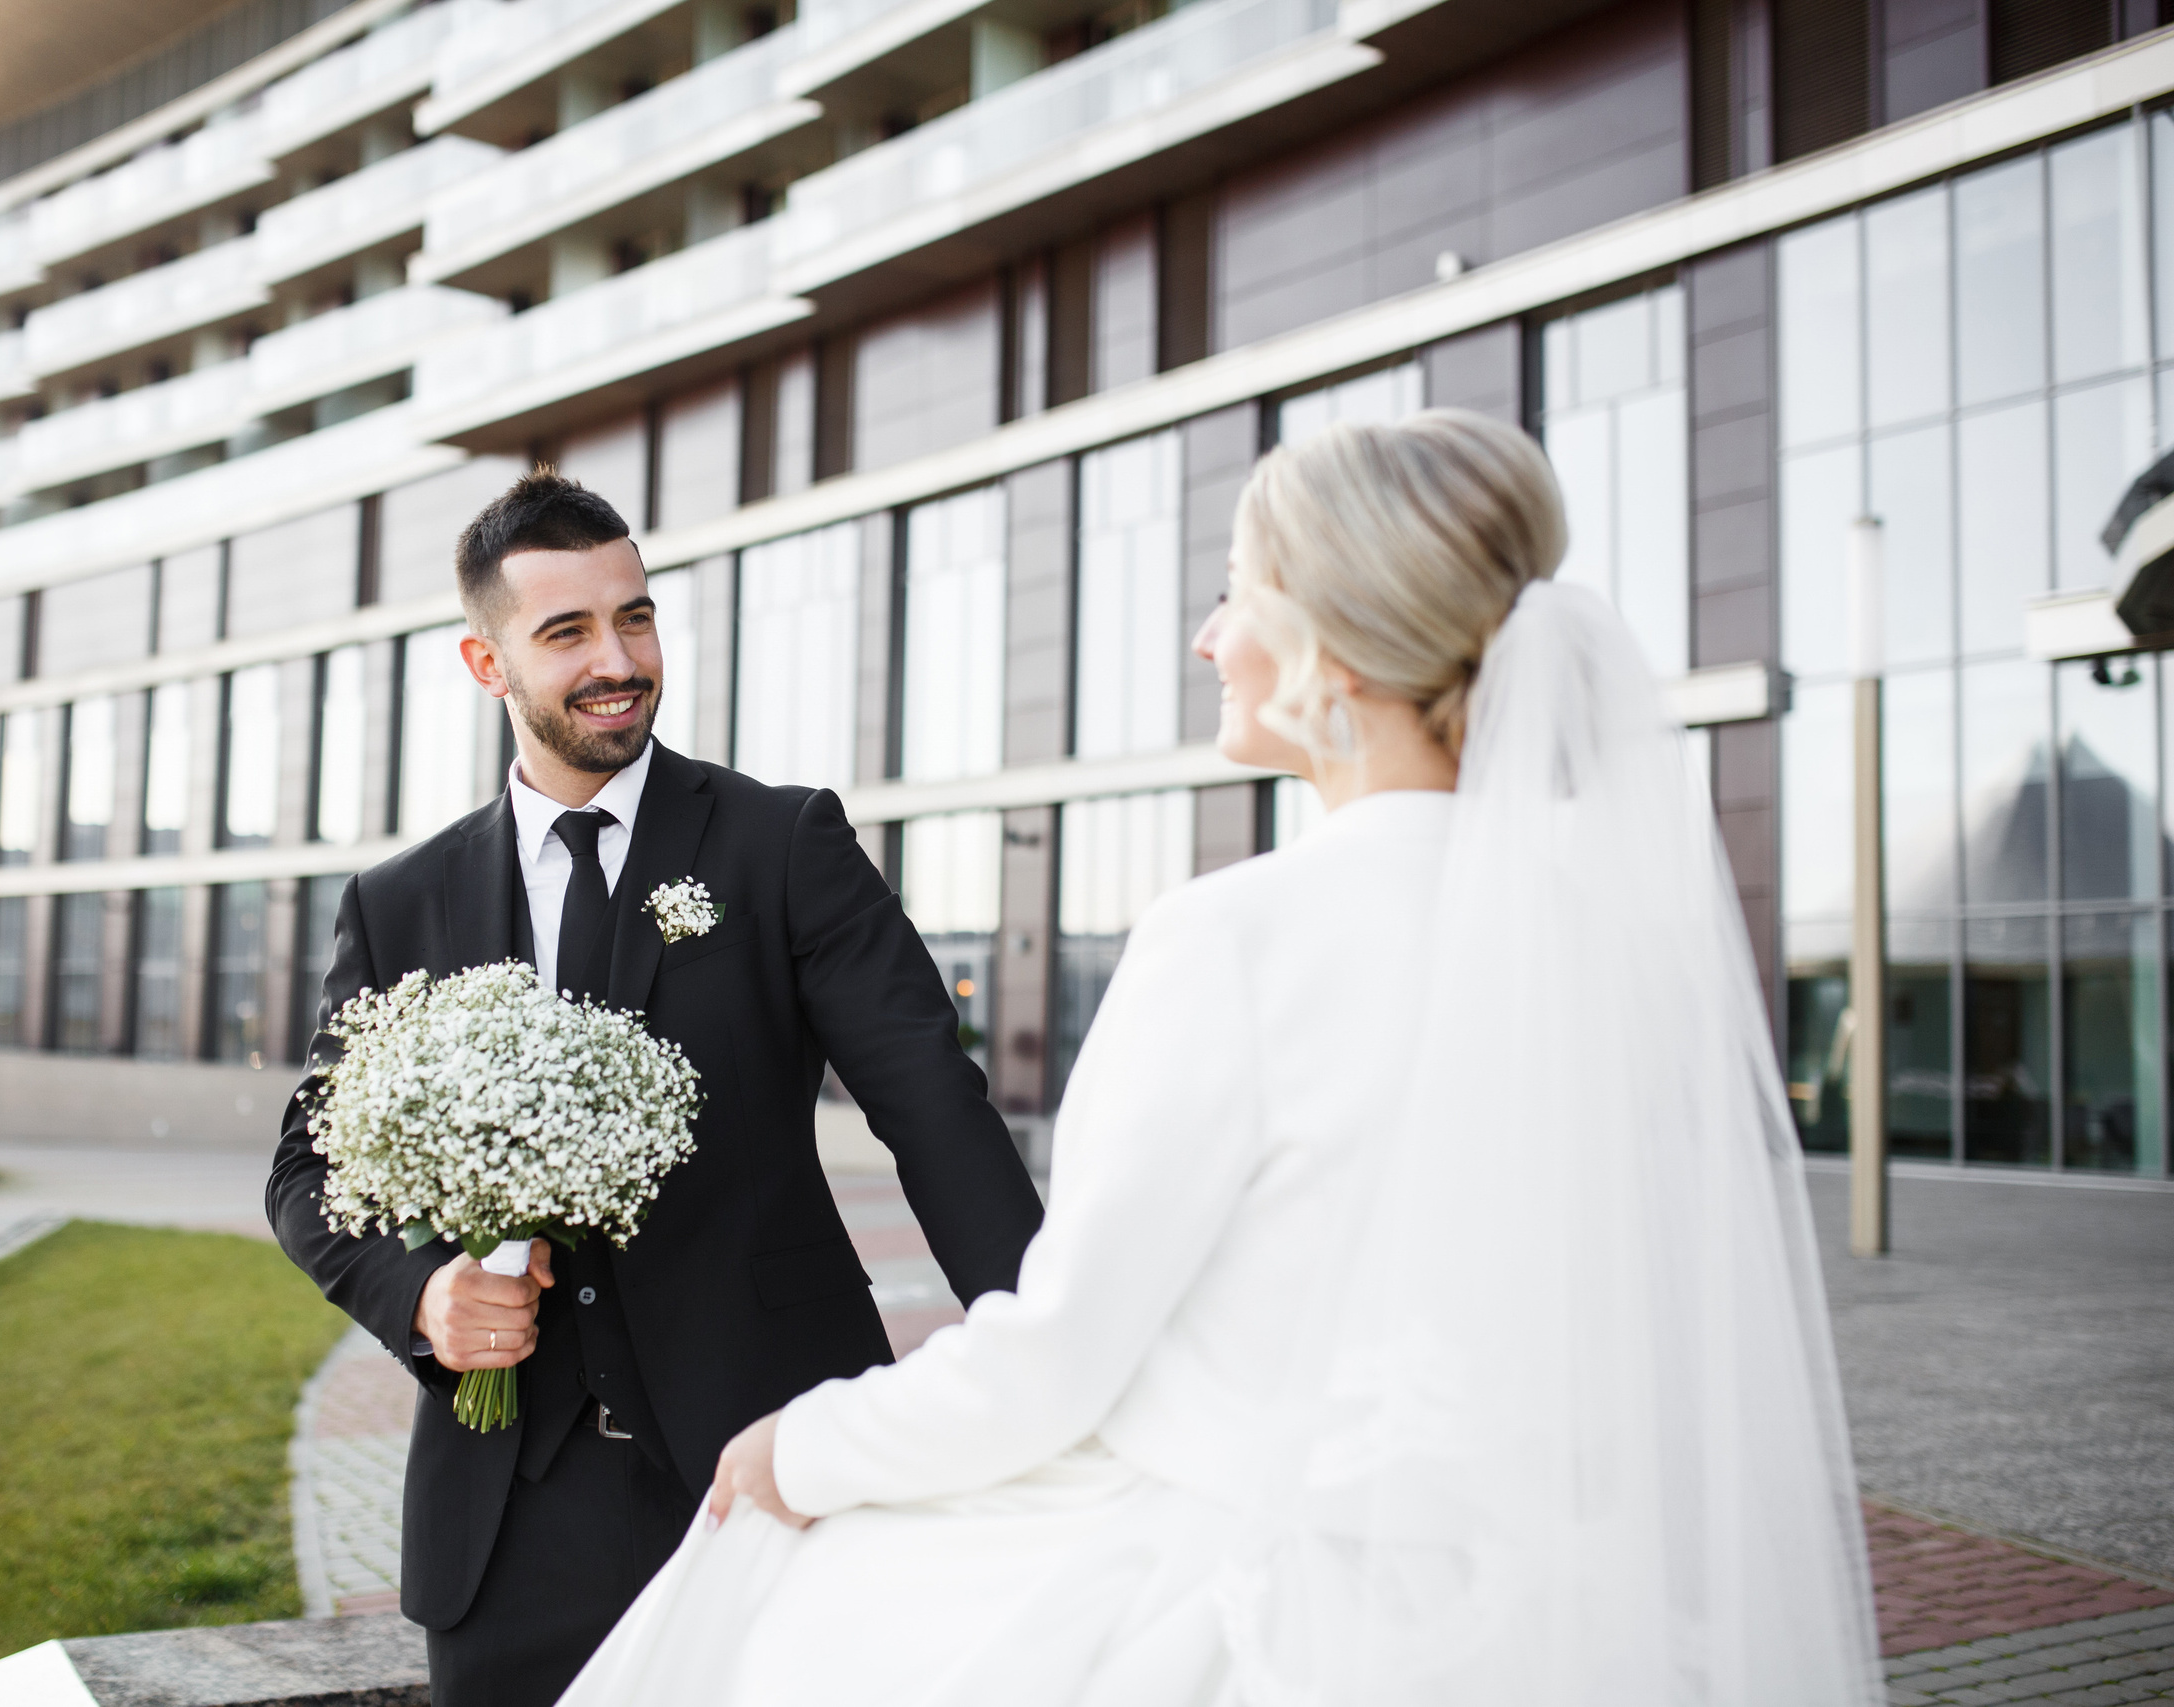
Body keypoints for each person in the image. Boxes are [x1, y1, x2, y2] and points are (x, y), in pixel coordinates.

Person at [556, 411, 1885, 1707]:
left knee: (754, 1596)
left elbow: (1062, 1358)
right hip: (1552, 1588)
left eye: (1236, 594)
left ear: (1335, 645)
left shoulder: (1237, 934)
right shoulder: (1613, 939)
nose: (1209, 637)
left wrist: (807, 1443)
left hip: (1262, 1585)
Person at [266, 471, 1045, 1707]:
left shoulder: (781, 844)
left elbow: (930, 1103)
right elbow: (308, 1175)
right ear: (487, 663)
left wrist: (1038, 1354)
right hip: (507, 1522)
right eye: (566, 632)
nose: (616, 659)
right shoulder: (399, 901)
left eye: (635, 618)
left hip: (769, 1476)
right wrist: (424, 1298)